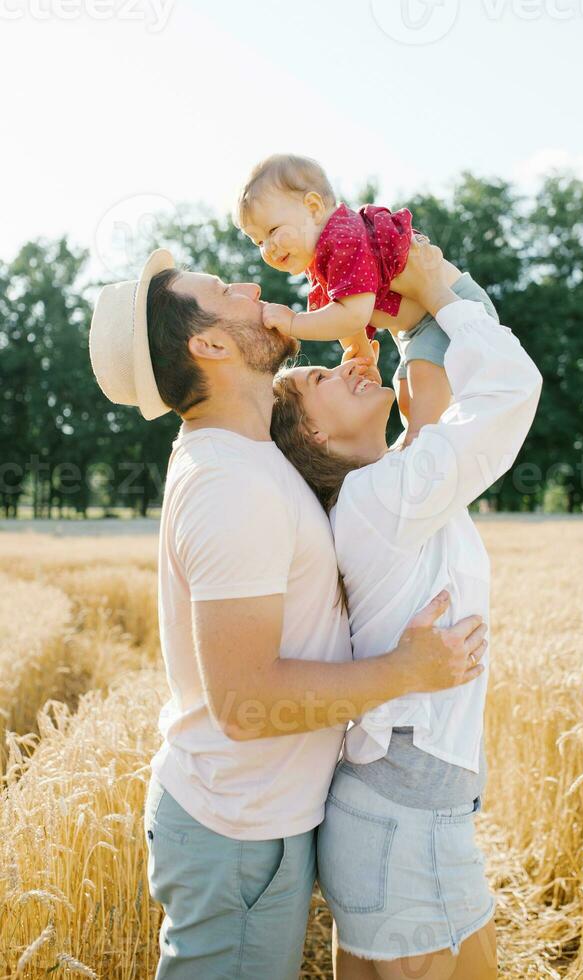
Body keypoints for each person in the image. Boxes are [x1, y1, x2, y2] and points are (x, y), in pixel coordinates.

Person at [87, 244, 489, 980]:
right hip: (237, 830)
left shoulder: (247, 457)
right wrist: (405, 671)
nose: (250, 286)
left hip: (256, 822)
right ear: (208, 344)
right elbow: (244, 704)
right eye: (224, 291)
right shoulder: (228, 483)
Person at [270, 243, 543, 979]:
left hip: (393, 819)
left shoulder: (384, 490)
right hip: (407, 826)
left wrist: (397, 313)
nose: (346, 365)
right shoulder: (380, 500)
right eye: (324, 374)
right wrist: (442, 287)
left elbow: (436, 403)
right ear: (317, 438)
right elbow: (510, 390)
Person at [235, 153, 498, 442]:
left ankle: (420, 449)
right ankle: (413, 446)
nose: (268, 248)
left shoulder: (342, 238)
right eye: (258, 240)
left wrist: (295, 322)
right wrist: (362, 357)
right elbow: (345, 318)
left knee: (423, 387)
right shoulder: (320, 259)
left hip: (452, 307)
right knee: (407, 395)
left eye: (272, 231)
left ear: (312, 208)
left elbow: (353, 314)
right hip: (415, 330)